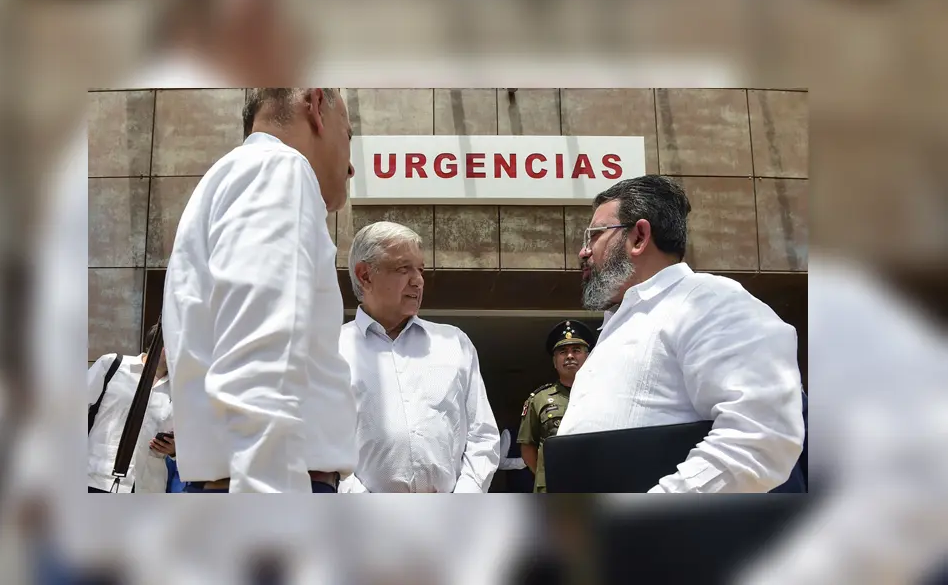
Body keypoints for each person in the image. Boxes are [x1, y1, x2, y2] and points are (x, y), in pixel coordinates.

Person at [162, 88, 357, 493]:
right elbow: (262, 358)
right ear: (317, 106)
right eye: (349, 134)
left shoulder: (231, 177)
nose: (352, 166)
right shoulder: (280, 169)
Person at [560, 175, 804, 493]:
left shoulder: (708, 301)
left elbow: (762, 437)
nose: (584, 251)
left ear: (639, 237)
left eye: (594, 236)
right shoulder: (619, 324)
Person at [337, 222, 500, 493]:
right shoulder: (332, 350)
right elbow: (320, 445)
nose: (418, 280)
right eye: (403, 269)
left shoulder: (453, 343)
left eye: (420, 269)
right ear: (365, 275)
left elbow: (482, 435)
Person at [86, 324, 173, 493]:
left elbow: (187, 439)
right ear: (154, 343)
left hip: (148, 485)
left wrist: (174, 450)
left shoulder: (181, 390)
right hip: (98, 478)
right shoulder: (113, 364)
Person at [518, 320, 596, 493]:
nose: (570, 356)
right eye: (563, 352)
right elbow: (527, 447)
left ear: (588, 357)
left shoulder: (604, 395)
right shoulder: (539, 399)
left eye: (576, 350)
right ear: (555, 361)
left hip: (595, 485)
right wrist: (546, 476)